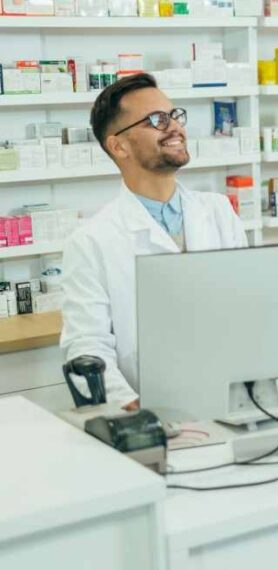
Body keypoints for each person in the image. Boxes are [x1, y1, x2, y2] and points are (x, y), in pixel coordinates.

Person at [61, 73, 248, 409]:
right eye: (157, 120)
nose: (174, 127)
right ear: (118, 146)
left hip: (232, 399)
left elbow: (248, 307)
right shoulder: (91, 242)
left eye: (174, 116)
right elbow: (87, 348)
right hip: (150, 412)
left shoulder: (218, 211)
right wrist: (136, 410)